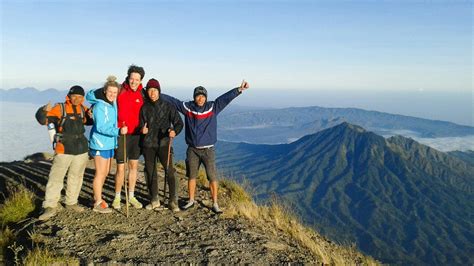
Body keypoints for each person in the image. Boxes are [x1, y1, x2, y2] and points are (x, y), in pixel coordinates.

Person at [161, 80, 250, 213]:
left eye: (203, 96)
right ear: (194, 97)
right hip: (192, 149)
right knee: (192, 176)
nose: (200, 98)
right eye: (198, 95)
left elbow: (225, 98)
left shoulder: (212, 107)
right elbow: (173, 101)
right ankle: (191, 200)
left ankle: (215, 203)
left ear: (206, 97)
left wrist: (239, 90)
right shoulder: (188, 108)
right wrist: (155, 92)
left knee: (212, 177)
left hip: (208, 150)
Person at [35, 85, 92, 221]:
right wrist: (43, 110)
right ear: (69, 96)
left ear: (83, 98)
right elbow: (43, 120)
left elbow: (89, 122)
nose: (77, 99)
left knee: (76, 177)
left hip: (81, 149)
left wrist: (91, 115)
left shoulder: (83, 109)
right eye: (74, 96)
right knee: (56, 177)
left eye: (80, 97)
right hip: (63, 148)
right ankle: (50, 205)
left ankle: (71, 202)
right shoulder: (60, 108)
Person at [139, 78, 184, 212]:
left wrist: (174, 131)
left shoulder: (168, 106)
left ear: (159, 91)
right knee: (150, 171)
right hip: (148, 144)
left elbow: (179, 123)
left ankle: (173, 201)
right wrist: (142, 130)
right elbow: (141, 124)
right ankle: (154, 199)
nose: (152, 93)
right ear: (147, 92)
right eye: (150, 90)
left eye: (155, 90)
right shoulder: (144, 108)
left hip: (164, 143)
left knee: (170, 171)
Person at [86, 76, 126, 213]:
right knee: (101, 173)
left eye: (115, 92)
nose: (112, 95)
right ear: (104, 91)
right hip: (99, 143)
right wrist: (119, 131)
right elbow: (101, 127)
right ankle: (97, 202)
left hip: (108, 143)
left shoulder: (111, 103)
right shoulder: (99, 106)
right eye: (110, 92)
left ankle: (98, 198)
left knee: (106, 172)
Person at [112, 65, 146, 209]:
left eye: (137, 79)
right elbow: (102, 97)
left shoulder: (142, 94)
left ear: (140, 80)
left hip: (136, 136)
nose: (134, 82)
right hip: (122, 134)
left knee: (133, 166)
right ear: (128, 77)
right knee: (120, 168)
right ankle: (117, 197)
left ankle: (131, 196)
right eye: (132, 78)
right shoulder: (120, 90)